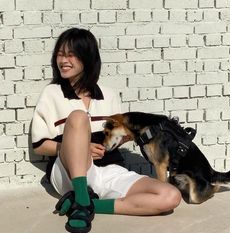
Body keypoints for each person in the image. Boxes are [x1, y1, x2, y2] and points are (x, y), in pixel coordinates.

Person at [31, 28, 181, 233]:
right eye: (60, 54)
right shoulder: (52, 93)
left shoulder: (109, 95)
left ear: (87, 57)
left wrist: (126, 138)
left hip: (109, 170)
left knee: (170, 196)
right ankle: (82, 196)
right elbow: (39, 145)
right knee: (78, 116)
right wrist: (79, 148)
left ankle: (84, 205)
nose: (63, 60)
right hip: (68, 171)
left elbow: (117, 139)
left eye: (70, 54)